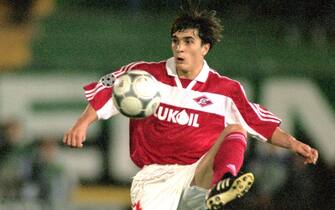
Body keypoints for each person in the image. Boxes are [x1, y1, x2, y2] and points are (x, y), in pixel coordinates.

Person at [63, 6, 318, 210]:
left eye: (188, 41)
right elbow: (108, 88)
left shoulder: (225, 90)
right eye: (175, 41)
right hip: (156, 178)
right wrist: (83, 123)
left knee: (235, 129)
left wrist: (294, 144)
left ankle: (223, 184)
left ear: (205, 48)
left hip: (198, 173)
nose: (179, 48)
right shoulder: (145, 75)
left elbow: (259, 124)